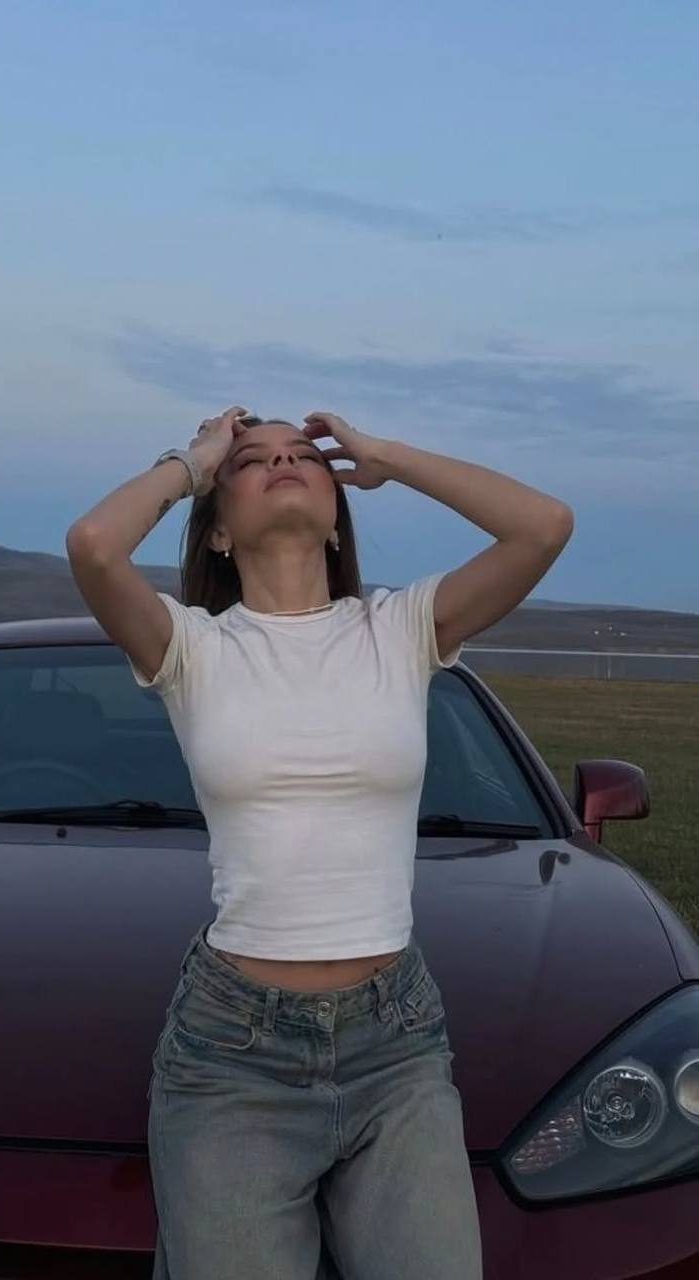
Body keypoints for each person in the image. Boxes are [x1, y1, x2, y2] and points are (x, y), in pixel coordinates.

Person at [66, 404, 574, 1279]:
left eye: (305, 454)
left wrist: (387, 458)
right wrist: (193, 460)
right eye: (252, 460)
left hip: (395, 1043)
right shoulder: (192, 647)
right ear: (217, 529)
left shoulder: (399, 629)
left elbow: (543, 526)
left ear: (337, 514)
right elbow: (93, 546)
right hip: (232, 1055)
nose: (283, 462)